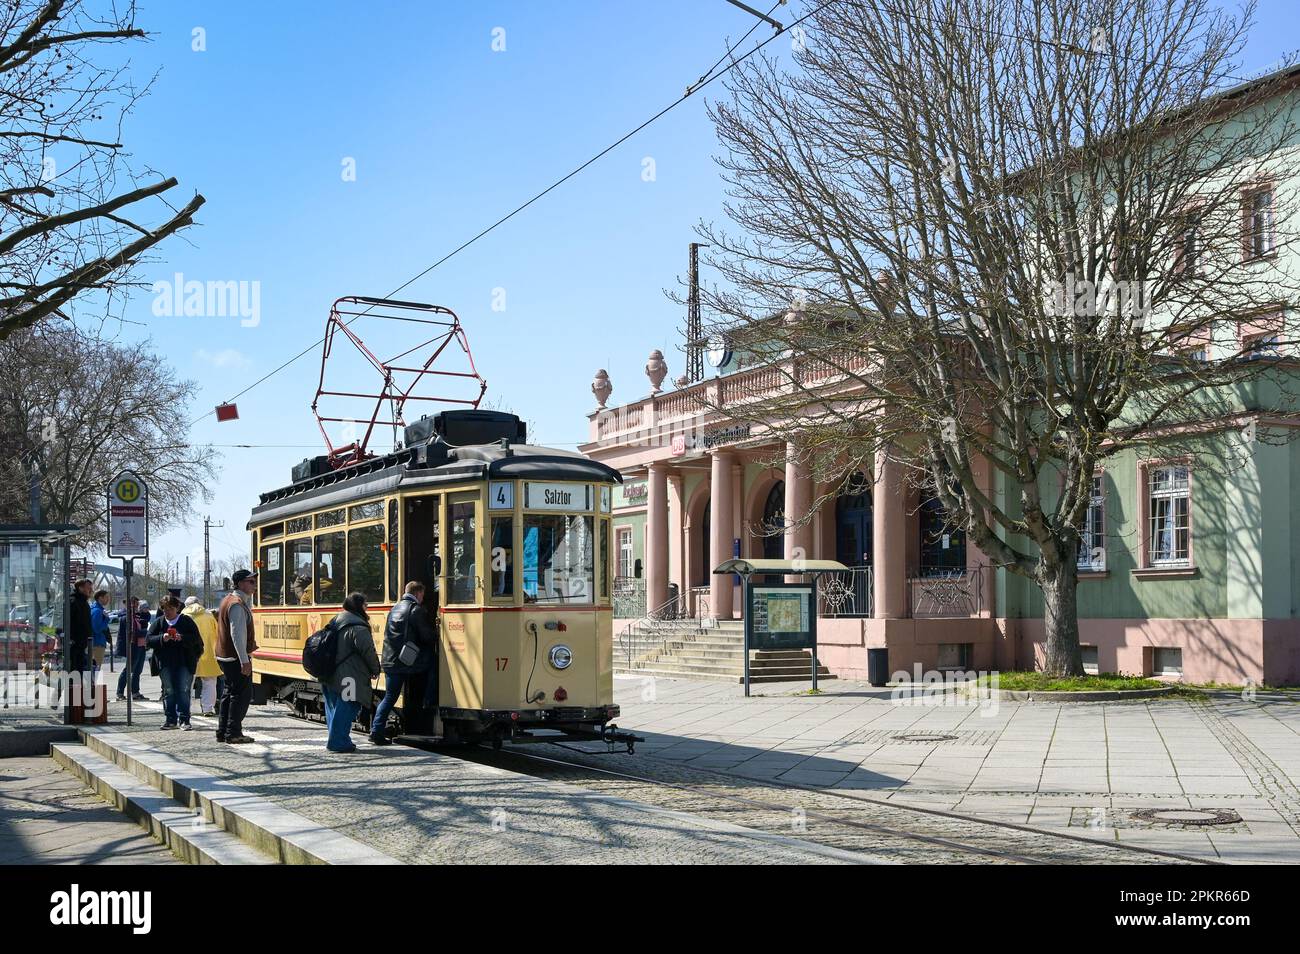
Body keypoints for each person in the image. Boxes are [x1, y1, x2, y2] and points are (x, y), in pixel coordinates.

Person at [369, 581, 437, 745]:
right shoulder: (416, 609)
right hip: (406, 661)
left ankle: (376, 731)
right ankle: (429, 703)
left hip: (391, 660)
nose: (422, 598)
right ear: (419, 593)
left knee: (390, 697)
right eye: (422, 594)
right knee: (434, 665)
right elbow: (426, 636)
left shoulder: (395, 608)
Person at [322, 592, 381, 754]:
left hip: (329, 672)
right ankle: (338, 742)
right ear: (359, 606)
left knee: (334, 707)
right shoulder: (358, 626)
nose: (367, 608)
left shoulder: (336, 620)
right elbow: (368, 651)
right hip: (349, 676)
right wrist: (375, 669)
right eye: (365, 605)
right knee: (349, 705)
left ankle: (339, 739)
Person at [146, 595, 204, 730]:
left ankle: (185, 719)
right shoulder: (159, 622)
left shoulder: (186, 621)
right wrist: (162, 638)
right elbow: (148, 640)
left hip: (184, 662)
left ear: (177, 608)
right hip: (165, 663)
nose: (167, 612)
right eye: (165, 609)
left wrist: (181, 638)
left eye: (170, 609)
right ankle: (170, 719)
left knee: (183, 690)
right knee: (168, 691)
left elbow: (196, 639)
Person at [216, 570, 258, 744]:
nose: (254, 585)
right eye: (251, 582)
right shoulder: (237, 604)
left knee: (229, 693)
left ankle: (223, 730)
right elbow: (237, 635)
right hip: (234, 658)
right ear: (240, 583)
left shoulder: (228, 600)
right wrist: (244, 660)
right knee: (240, 696)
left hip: (225, 656)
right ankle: (233, 732)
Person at [183, 596, 222, 716]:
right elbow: (218, 634)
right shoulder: (209, 616)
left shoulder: (183, 616)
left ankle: (186, 709)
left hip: (188, 654)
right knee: (210, 682)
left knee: (186, 684)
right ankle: (207, 709)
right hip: (208, 653)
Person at [115, 597, 150, 701]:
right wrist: (147, 633)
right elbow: (132, 633)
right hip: (133, 645)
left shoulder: (136, 615)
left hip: (140, 645)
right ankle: (120, 692)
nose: (135, 606)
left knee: (137, 670)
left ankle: (135, 692)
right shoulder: (126, 617)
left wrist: (144, 611)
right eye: (133, 604)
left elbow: (146, 618)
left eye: (136, 604)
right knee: (129, 669)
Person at [89, 590, 111, 677]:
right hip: (97, 644)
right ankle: (92, 689)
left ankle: (91, 688)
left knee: (92, 670)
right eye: (106, 597)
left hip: (95, 642)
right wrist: (106, 619)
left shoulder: (94, 609)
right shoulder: (97, 611)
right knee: (96, 670)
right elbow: (97, 629)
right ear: (100, 598)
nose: (108, 599)